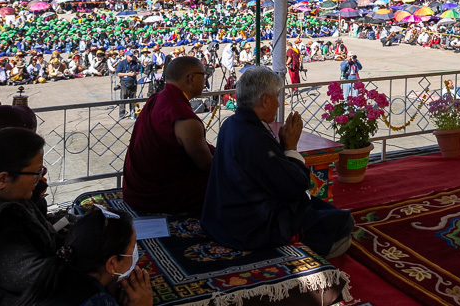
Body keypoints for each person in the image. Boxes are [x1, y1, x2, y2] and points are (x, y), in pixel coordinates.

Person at [201, 67, 352, 258]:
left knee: (323, 209)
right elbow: (294, 186)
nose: (279, 104)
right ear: (265, 100)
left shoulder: (231, 124)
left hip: (224, 217)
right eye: (276, 97)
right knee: (341, 223)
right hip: (249, 227)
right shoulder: (254, 137)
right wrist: (290, 147)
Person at [122, 56, 213, 215]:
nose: (205, 79)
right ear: (191, 78)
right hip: (158, 199)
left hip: (135, 190)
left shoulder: (157, 98)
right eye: (203, 75)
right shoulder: (185, 119)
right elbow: (207, 166)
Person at [15, 206, 151, 306]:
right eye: (132, 248)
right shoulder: (97, 301)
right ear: (112, 264)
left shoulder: (57, 273)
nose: (136, 253)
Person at [0, 127, 57, 306]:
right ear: (2, 180)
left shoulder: (9, 198)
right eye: (36, 172)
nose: (40, 179)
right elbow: (42, 280)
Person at [114, 54, 140, 119]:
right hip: (124, 83)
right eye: (130, 56)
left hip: (133, 83)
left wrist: (135, 73)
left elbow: (138, 71)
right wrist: (128, 74)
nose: (131, 57)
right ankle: (122, 114)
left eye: (132, 56)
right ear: (127, 56)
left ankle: (133, 113)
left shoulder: (134, 62)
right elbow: (118, 73)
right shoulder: (122, 63)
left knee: (133, 99)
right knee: (123, 99)